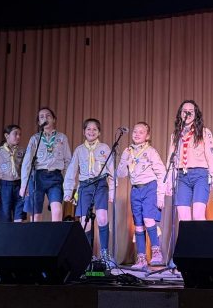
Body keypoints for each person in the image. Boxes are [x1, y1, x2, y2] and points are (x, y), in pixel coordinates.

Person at [116, 122, 167, 270]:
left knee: (148, 219)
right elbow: (121, 174)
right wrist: (124, 159)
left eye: (141, 132)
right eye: (135, 132)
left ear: (147, 136)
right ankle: (141, 258)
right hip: (135, 190)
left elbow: (162, 173)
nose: (137, 134)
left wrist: (160, 195)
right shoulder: (128, 151)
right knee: (138, 224)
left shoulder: (150, 151)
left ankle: (156, 251)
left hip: (150, 187)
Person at [63, 118, 115, 260]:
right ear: (84, 132)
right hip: (85, 186)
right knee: (85, 221)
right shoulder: (79, 150)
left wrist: (112, 191)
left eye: (94, 129)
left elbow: (111, 170)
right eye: (88, 129)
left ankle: (105, 254)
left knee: (102, 218)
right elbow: (71, 171)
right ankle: (87, 255)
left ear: (99, 132)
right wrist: (68, 191)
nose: (91, 132)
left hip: (100, 185)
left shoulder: (104, 148)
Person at [166, 100, 213, 221]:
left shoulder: (204, 132)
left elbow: (212, 159)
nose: (187, 113)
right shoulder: (176, 135)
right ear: (180, 114)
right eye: (185, 111)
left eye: (191, 111)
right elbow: (171, 159)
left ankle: (201, 235)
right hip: (181, 176)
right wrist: (169, 182)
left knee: (198, 216)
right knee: (183, 218)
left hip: (200, 176)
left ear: (196, 114)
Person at [20, 107, 71, 222]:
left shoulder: (62, 138)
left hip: (55, 177)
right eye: (41, 117)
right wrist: (24, 184)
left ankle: (55, 234)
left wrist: (68, 183)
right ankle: (36, 234)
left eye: (48, 116)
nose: (45, 118)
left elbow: (68, 161)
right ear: (39, 122)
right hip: (37, 177)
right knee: (36, 214)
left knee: (57, 211)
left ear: (54, 119)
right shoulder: (35, 139)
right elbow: (27, 162)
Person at [0, 125, 26, 222]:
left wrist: (26, 187)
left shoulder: (22, 151)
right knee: (4, 217)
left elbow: (26, 170)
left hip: (19, 185)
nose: (18, 136)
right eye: (15, 134)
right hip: (5, 186)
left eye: (20, 134)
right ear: (6, 135)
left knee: (19, 216)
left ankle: (18, 231)